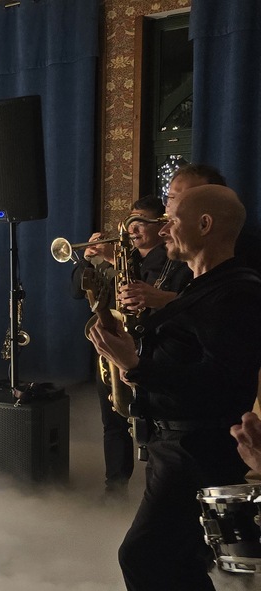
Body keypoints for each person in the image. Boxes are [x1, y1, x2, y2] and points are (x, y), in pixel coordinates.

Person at [88, 184, 261, 590]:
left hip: (195, 450)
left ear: (205, 224)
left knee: (143, 557)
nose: (163, 230)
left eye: (172, 220)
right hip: (176, 446)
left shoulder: (236, 292)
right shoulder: (205, 286)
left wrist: (135, 366)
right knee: (180, 563)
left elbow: (221, 382)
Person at [71, 196, 192, 498]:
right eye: (131, 222)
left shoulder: (173, 260)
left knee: (152, 424)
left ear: (160, 226)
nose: (133, 229)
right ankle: (115, 487)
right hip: (115, 347)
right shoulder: (125, 256)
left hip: (150, 350)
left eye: (140, 222)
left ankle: (156, 489)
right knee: (113, 419)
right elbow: (76, 290)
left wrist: (117, 262)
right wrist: (89, 259)